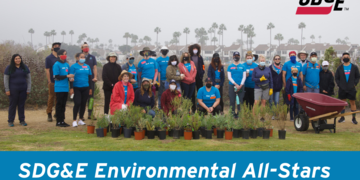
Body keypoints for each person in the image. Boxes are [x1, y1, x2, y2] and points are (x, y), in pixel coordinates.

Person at [4, 54, 31, 127]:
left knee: (21, 105)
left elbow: (28, 78)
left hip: (23, 89)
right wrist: (7, 89)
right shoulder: (9, 68)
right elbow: (6, 79)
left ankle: (22, 120)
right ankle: (10, 121)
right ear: (13, 60)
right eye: (16, 59)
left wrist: (28, 88)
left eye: (19, 58)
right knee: (12, 105)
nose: (18, 60)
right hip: (13, 90)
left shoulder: (24, 67)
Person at [335, 52, 360, 124]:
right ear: (342, 58)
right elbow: (337, 78)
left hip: (351, 88)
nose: (346, 58)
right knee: (343, 103)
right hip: (342, 88)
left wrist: (354, 84)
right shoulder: (339, 68)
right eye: (344, 57)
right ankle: (342, 117)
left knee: (352, 103)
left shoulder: (354, 67)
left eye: (347, 57)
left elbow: (357, 77)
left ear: (350, 58)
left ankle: (353, 118)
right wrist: (340, 85)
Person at [69, 53, 93, 127]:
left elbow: (90, 78)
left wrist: (90, 88)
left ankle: (80, 119)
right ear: (77, 58)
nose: (83, 58)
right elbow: (71, 78)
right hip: (77, 88)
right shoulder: (73, 66)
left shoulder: (87, 66)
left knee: (83, 104)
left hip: (86, 87)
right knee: (77, 103)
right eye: (81, 57)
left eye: (84, 57)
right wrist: (71, 88)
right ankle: (74, 120)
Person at [53, 49, 74, 127]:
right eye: (64, 54)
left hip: (66, 88)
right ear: (59, 55)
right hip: (59, 87)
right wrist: (66, 76)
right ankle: (58, 121)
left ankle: (62, 120)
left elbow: (69, 75)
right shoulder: (56, 64)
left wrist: (71, 78)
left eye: (66, 54)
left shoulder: (66, 64)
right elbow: (56, 77)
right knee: (59, 104)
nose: (65, 55)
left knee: (63, 105)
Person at [252, 55, 273, 120]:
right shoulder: (255, 69)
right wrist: (259, 79)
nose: (262, 62)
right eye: (261, 61)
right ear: (259, 61)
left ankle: (262, 117)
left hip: (266, 87)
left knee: (263, 102)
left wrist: (271, 88)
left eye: (263, 61)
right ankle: (253, 116)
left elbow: (271, 79)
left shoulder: (268, 69)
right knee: (256, 102)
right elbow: (253, 78)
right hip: (258, 87)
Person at [81, 42, 98, 120]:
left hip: (91, 80)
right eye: (84, 47)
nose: (86, 48)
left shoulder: (92, 57)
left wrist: (95, 77)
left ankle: (90, 114)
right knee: (82, 98)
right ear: (82, 48)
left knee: (91, 98)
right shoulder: (80, 57)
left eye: (87, 46)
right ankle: (81, 115)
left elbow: (95, 67)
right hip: (82, 80)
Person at [45, 42, 61, 122]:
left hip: (60, 81)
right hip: (52, 80)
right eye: (55, 46)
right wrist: (49, 80)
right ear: (52, 48)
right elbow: (47, 70)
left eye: (58, 46)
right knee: (51, 97)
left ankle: (57, 113)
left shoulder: (60, 58)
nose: (57, 47)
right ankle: (49, 113)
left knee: (58, 98)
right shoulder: (49, 58)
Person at [227, 51, 246, 118]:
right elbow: (229, 77)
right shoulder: (230, 66)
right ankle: (232, 114)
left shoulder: (242, 66)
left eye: (237, 56)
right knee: (232, 100)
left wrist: (240, 85)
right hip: (232, 85)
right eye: (235, 56)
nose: (236, 57)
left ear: (239, 57)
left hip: (241, 86)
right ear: (233, 57)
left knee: (240, 101)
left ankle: (239, 114)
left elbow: (244, 76)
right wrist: (235, 84)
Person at [188, 44, 205, 113]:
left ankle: (200, 107)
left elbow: (203, 66)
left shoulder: (200, 57)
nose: (195, 50)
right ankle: (193, 108)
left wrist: (202, 73)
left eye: (196, 49)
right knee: (192, 93)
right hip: (191, 77)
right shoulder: (189, 57)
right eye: (194, 49)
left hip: (199, 77)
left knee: (200, 92)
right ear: (191, 50)